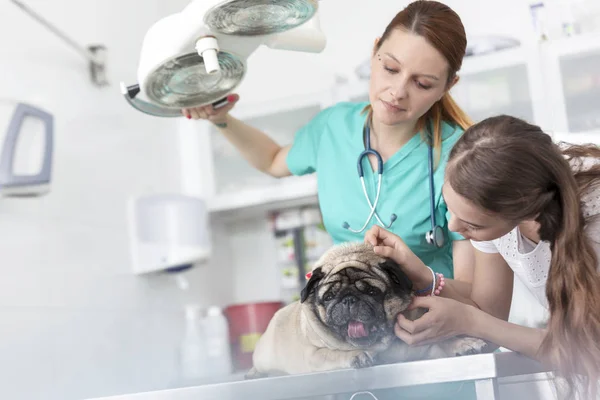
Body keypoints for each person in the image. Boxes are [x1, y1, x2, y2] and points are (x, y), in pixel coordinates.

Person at [183, 0, 475, 283]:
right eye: (390, 69)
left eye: (422, 83)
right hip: (348, 316)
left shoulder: (460, 157)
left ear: (447, 86)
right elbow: (273, 160)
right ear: (375, 52)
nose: (398, 91)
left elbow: (471, 291)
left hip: (428, 323)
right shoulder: (334, 127)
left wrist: (425, 281)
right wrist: (221, 119)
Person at [365, 115, 600, 399]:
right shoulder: (500, 202)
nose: (452, 227)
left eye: (473, 225)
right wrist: (421, 274)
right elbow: (486, 308)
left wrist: (471, 322)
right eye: (450, 209)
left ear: (524, 209)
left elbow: (587, 351)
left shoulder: (592, 227)